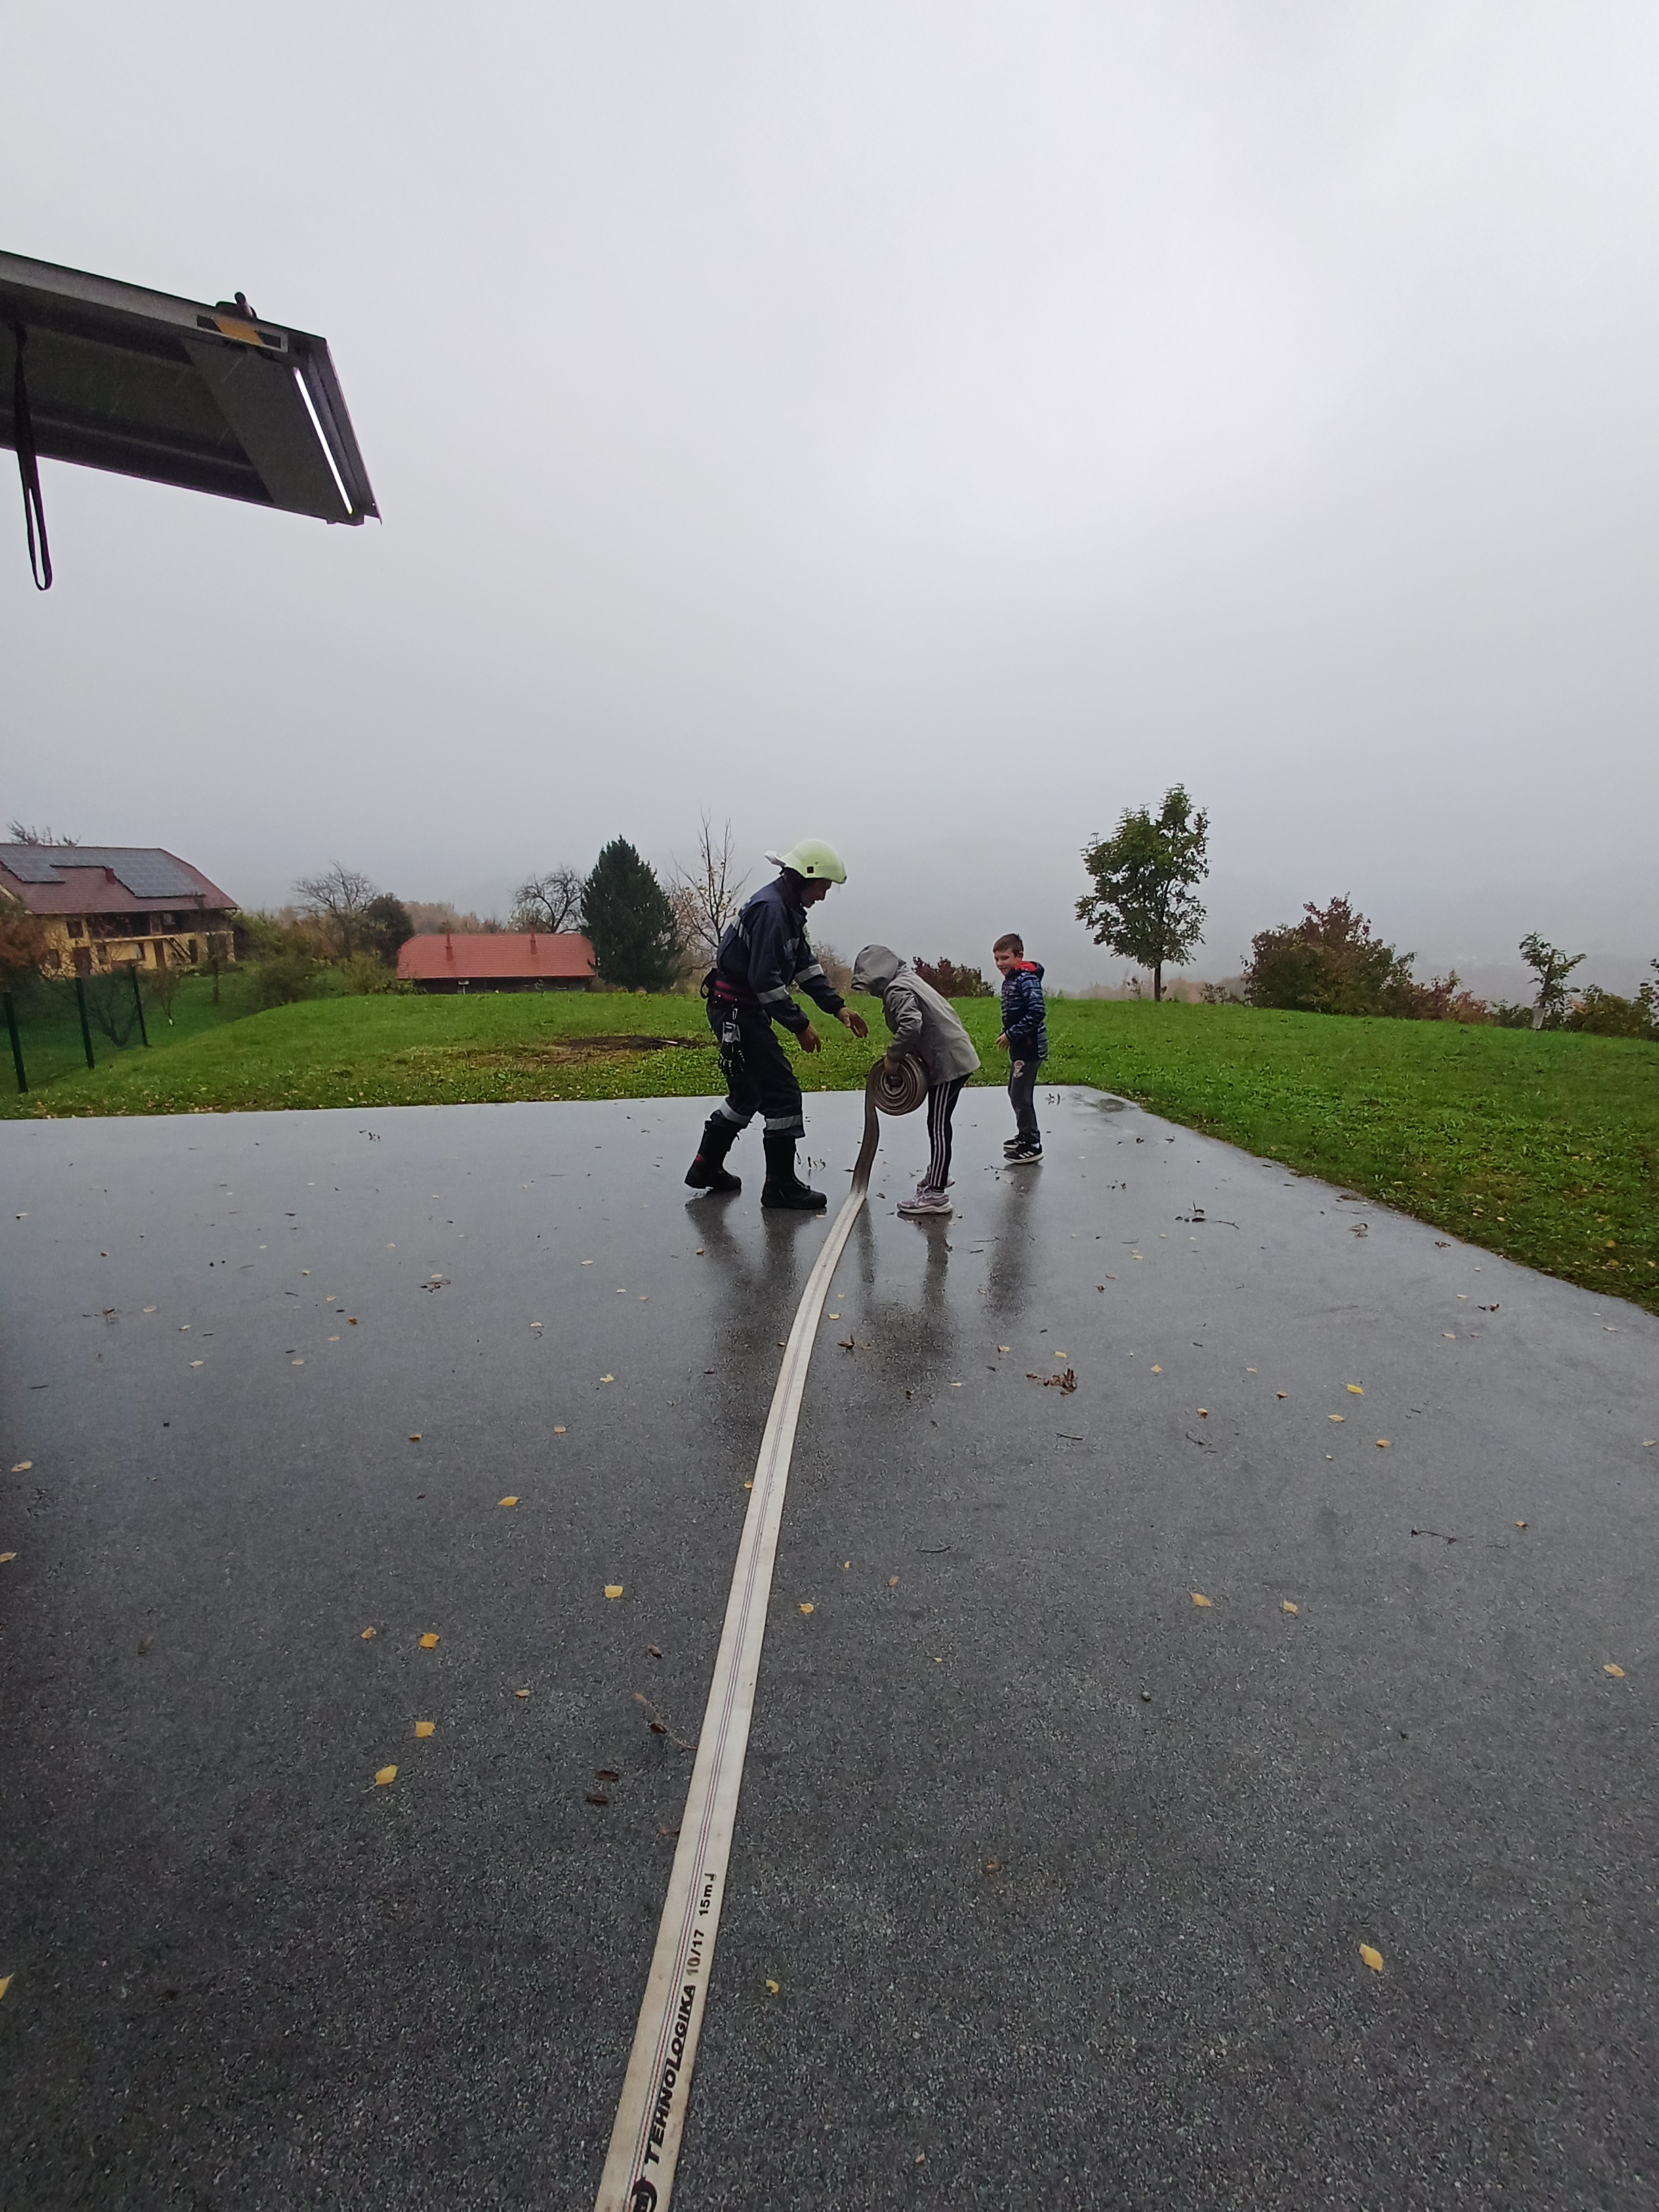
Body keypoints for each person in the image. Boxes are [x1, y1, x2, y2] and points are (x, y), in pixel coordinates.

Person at [684, 840, 868, 1210]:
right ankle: (780, 1187)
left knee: (748, 1094)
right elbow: (764, 979)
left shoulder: (788, 909)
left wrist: (838, 1008)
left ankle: (706, 1166)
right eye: (822, 887)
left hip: (735, 1009)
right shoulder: (771, 911)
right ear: (803, 878)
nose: (823, 896)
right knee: (782, 1093)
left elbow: (804, 966)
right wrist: (799, 1024)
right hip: (738, 1012)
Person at [851, 945, 981, 1217]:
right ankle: (938, 1174)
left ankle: (936, 1195)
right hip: (953, 1054)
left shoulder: (897, 990)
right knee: (939, 1122)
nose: (870, 992)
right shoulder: (907, 977)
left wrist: (893, 1056)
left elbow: (911, 1024)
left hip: (948, 1062)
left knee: (938, 1124)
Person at [993, 932, 1046, 1162]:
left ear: (1019, 956)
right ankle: (1024, 1135)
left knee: (1021, 1096)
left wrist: (1011, 1034)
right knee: (1014, 1092)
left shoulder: (1027, 979)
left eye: (1005, 958)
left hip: (1029, 1048)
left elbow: (1037, 1012)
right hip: (1019, 1047)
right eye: (996, 959)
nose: (1000, 963)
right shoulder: (1012, 979)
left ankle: (1033, 1144)